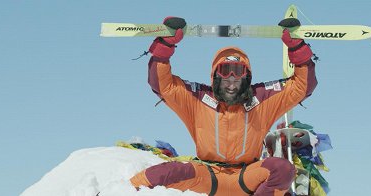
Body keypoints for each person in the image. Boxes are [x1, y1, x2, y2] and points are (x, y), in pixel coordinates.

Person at [129, 16, 317, 196]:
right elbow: (163, 85)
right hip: (208, 175)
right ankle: (119, 190)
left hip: (247, 177)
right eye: (225, 75)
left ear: (247, 78)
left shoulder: (261, 99)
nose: (231, 83)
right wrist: (165, 44)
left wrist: (297, 48)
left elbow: (302, 87)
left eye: (238, 76)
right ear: (215, 77)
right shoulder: (199, 98)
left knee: (283, 169)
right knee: (166, 172)